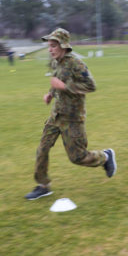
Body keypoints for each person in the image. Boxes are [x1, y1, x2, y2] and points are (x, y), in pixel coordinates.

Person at [25, 28, 116, 200]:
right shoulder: (55, 62)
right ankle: (43, 185)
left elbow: (91, 86)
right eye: (49, 46)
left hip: (73, 118)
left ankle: (105, 157)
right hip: (56, 115)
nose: (50, 49)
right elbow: (57, 79)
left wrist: (65, 87)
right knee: (42, 149)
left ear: (63, 46)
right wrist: (51, 93)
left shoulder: (76, 63)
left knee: (78, 157)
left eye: (53, 46)